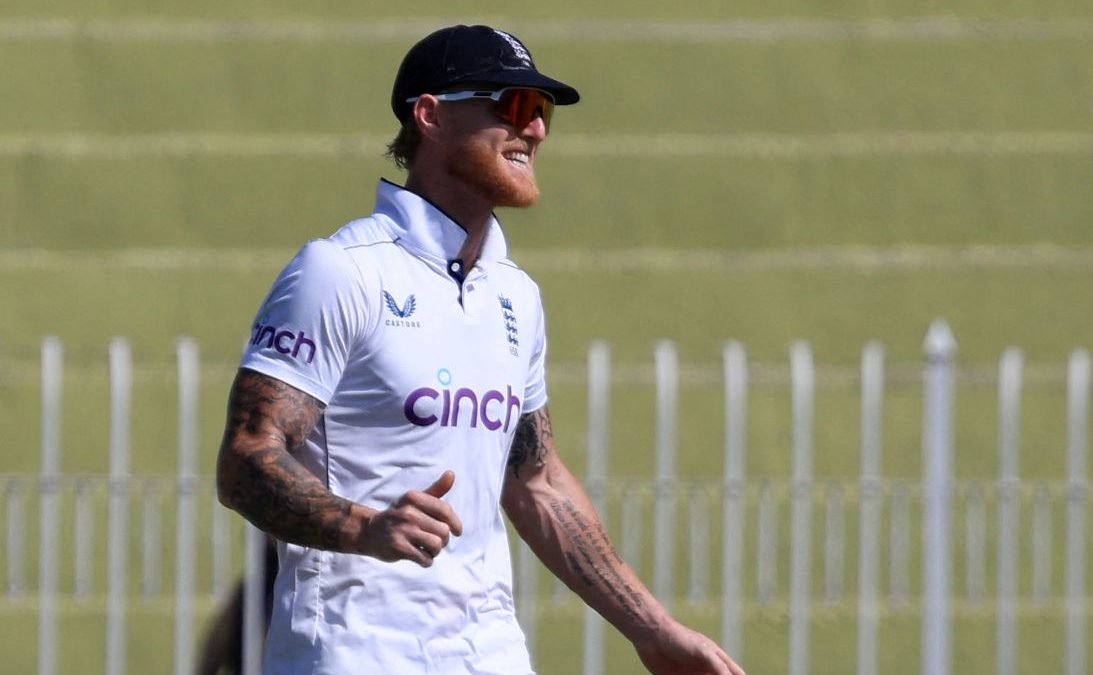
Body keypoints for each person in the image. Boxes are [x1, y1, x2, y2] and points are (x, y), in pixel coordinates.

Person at [215, 24, 744, 675]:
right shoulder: (340, 271)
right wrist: (364, 527)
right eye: (514, 106)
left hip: (488, 654)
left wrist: (653, 629)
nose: (538, 131)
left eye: (542, 111)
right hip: (355, 652)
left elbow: (538, 482)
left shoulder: (515, 295)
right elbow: (245, 460)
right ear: (430, 115)